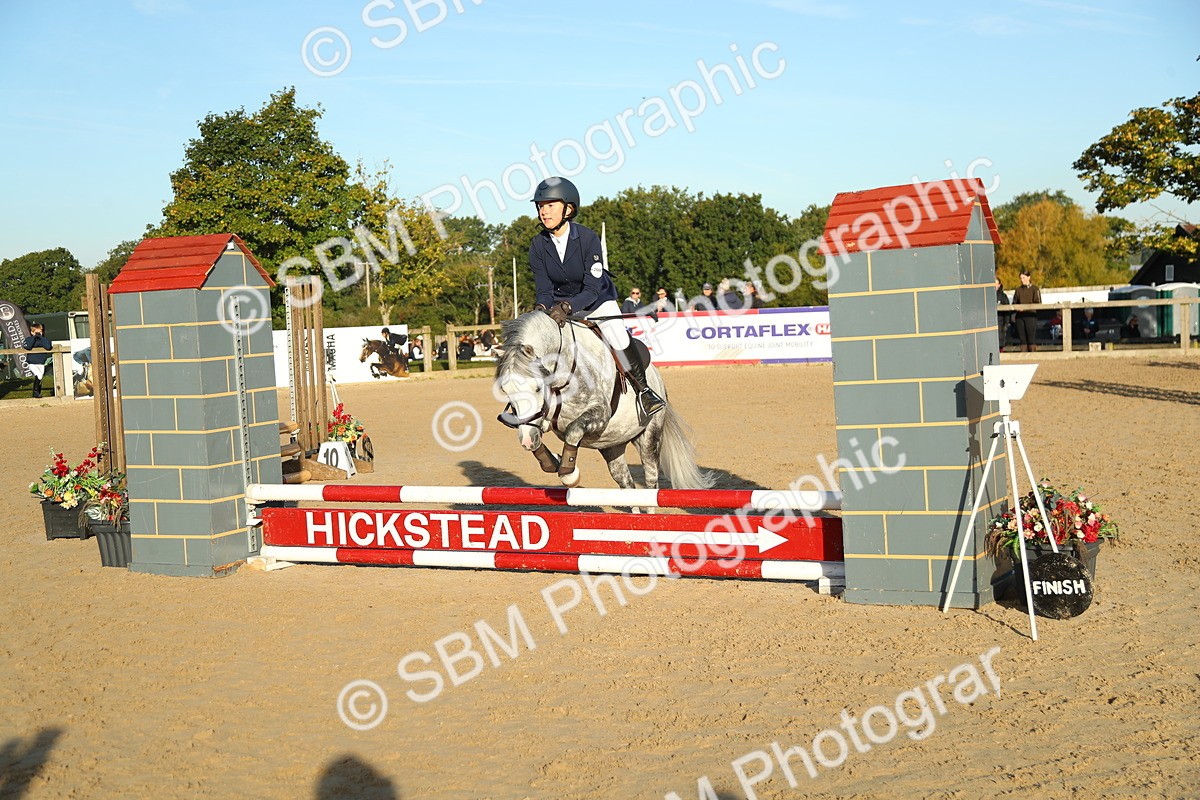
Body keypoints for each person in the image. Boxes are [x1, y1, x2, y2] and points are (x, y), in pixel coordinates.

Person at [528, 176, 664, 415]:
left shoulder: (588, 239)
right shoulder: (537, 245)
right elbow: (544, 289)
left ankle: (644, 391)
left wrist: (567, 308)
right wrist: (541, 308)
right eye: (540, 206)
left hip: (597, 301)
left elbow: (591, 290)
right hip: (560, 305)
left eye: (550, 205)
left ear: (568, 208)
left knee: (618, 338)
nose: (544, 212)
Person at [1010, 270, 1041, 352]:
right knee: (1022, 338)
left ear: (1028, 277)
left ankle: (1033, 354)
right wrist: (1018, 308)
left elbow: (1038, 303)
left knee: (1031, 338)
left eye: (1023, 278)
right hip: (1020, 316)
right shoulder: (1018, 290)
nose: (1022, 280)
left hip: (1030, 316)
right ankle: (1024, 355)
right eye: (1021, 278)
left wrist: (1026, 308)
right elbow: (1014, 302)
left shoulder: (1035, 289)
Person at [21, 322, 53, 398]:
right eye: (36, 332)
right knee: (39, 375)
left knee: (40, 377)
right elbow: (27, 346)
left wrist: (41, 337)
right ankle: (36, 392)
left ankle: (37, 392)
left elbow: (48, 347)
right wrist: (34, 337)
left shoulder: (44, 340)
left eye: (40, 332)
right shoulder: (29, 339)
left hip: (41, 363)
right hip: (32, 363)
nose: (39, 334)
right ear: (32, 332)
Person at [994, 277, 1009, 350]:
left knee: (1000, 339)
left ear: (999, 285)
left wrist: (1006, 322)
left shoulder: (1003, 296)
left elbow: (1007, 310)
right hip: (991, 322)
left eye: (995, 283)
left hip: (1000, 321)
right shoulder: (986, 295)